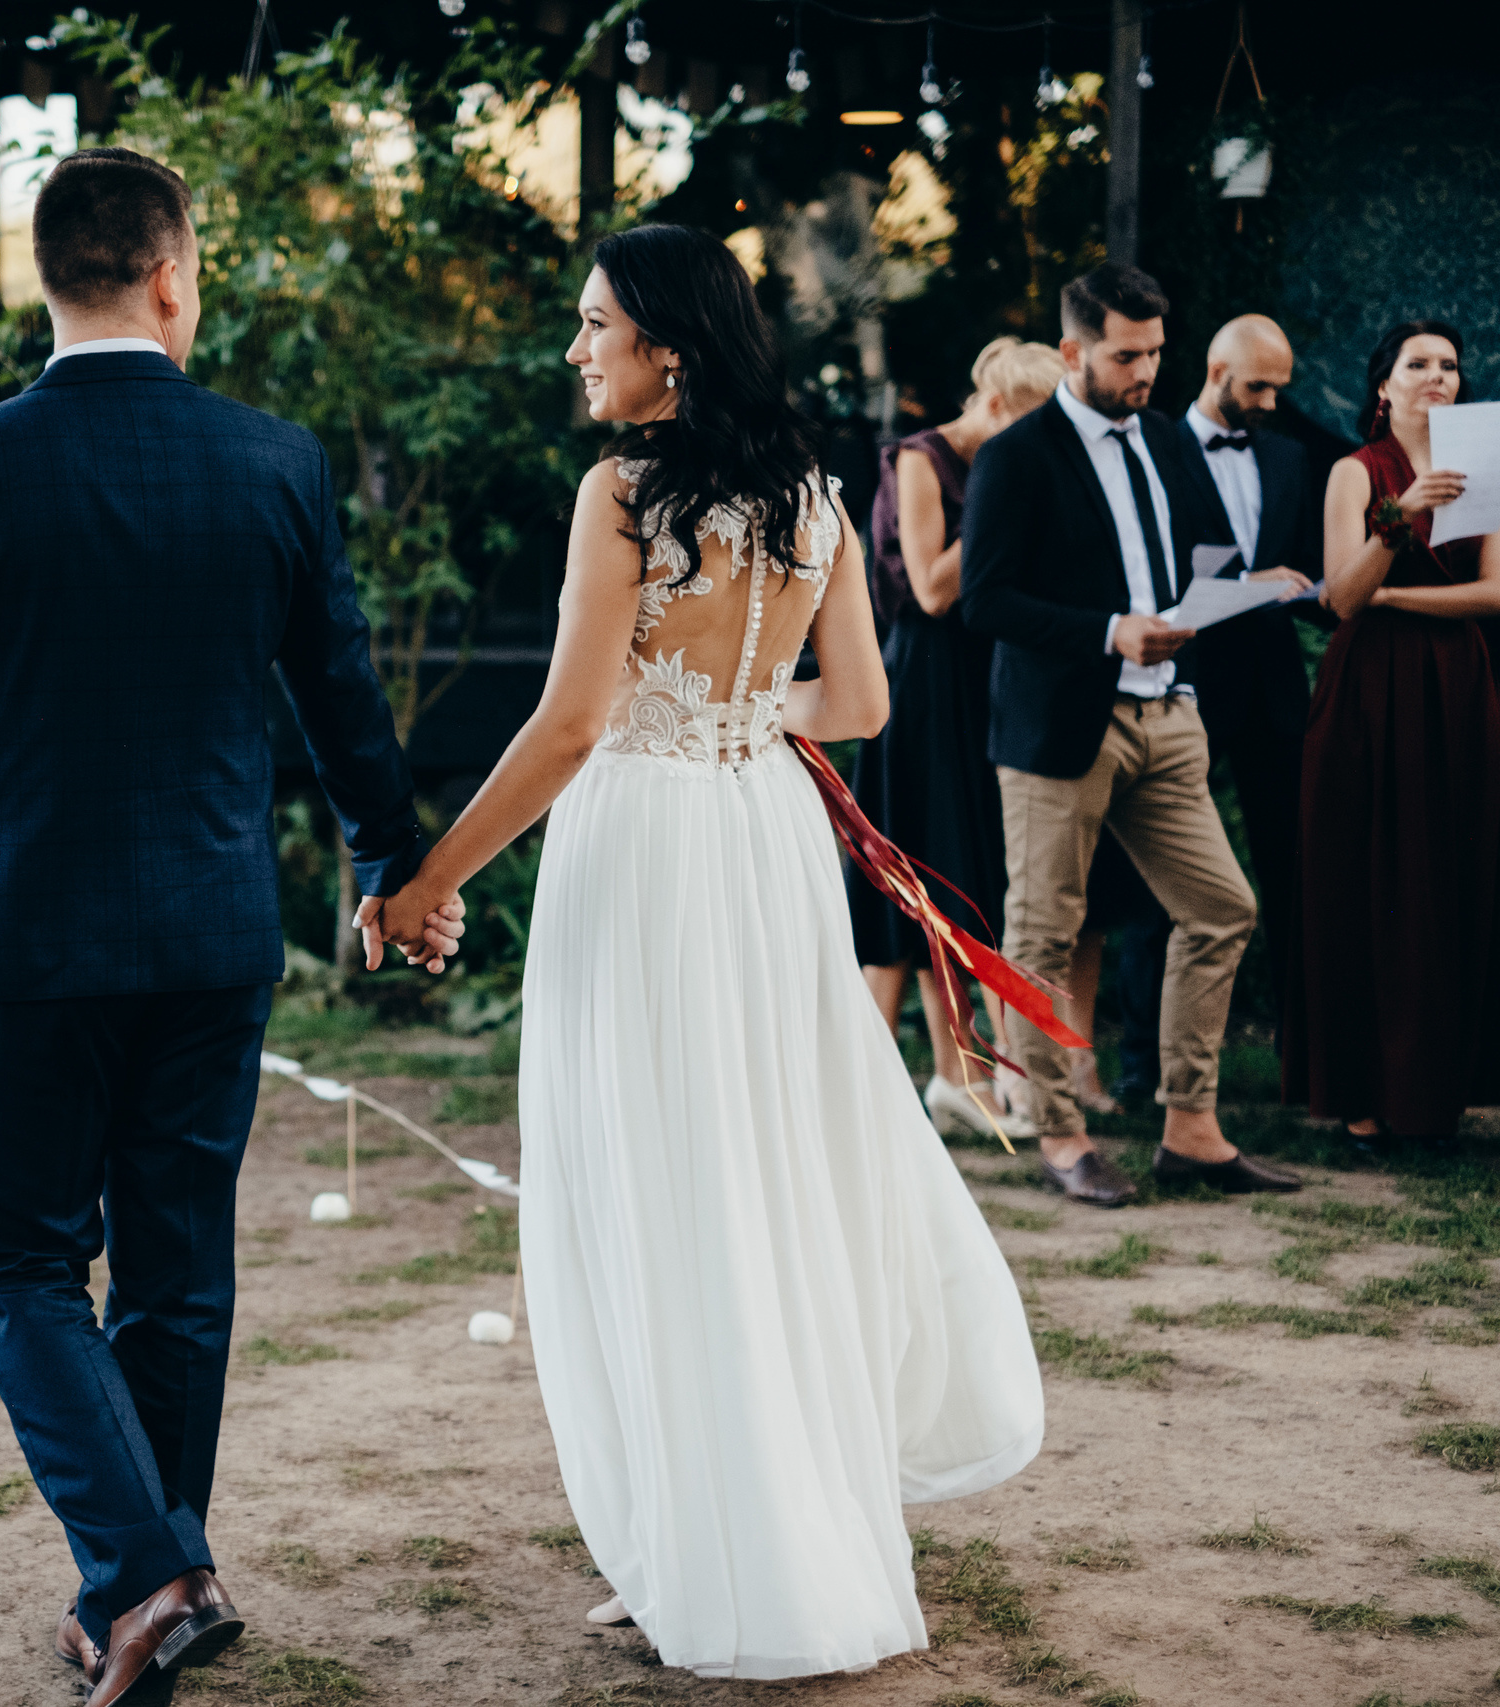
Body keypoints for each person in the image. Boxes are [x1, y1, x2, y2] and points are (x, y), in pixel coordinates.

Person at [0, 147, 463, 1707]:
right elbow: (339, 696)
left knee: (15, 1256)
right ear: (177, 272)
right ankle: (143, 1585)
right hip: (210, 933)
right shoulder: (272, 461)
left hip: (24, 943)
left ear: (52, 282)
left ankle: (147, 1574)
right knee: (176, 1271)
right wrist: (398, 860)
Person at [372, 224, 1043, 1681]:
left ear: (666, 343)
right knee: (763, 1167)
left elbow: (568, 722)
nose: (576, 349)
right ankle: (751, 1517)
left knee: (654, 1179)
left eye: (594, 324)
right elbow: (857, 700)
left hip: (651, 853)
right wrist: (737, 713)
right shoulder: (812, 494)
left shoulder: (621, 493)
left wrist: (429, 871)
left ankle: (707, 1531)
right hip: (762, 844)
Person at [957, 263, 1300, 1207]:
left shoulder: (1161, 439)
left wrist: (1243, 583)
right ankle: (1063, 1135)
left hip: (1169, 714)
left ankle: (1191, 1128)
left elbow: (1186, 552)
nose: (1147, 370)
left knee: (1223, 906)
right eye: (1125, 353)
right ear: (1072, 351)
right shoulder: (1016, 457)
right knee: (1040, 933)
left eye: (1155, 351)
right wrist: (1110, 630)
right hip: (1062, 724)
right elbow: (983, 598)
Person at [851, 336, 1062, 1139]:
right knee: (925, 867)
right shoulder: (918, 457)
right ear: (999, 408)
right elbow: (935, 588)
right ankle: (935, 1078)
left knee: (971, 872)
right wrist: (1010, 521)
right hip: (927, 678)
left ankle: (961, 1078)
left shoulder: (1009, 460)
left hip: (989, 677)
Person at [1293, 320, 1500, 1138]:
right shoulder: (1355, 473)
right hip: (1369, 690)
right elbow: (1341, 596)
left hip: (1458, 680)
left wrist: (1396, 601)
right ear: (1383, 385)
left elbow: (1493, 594)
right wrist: (1400, 516)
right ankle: (1368, 1090)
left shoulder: (1485, 466)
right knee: (1374, 872)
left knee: (1457, 868)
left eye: (1449, 364)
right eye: (1419, 363)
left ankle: (1448, 1083)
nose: (1437, 376)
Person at [1166, 314, 1325, 1026]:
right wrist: (1253, 581)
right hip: (1189, 681)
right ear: (1217, 370)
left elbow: (1310, 568)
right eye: (1258, 386)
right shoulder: (1155, 450)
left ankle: (1301, 1051)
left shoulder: (1290, 458)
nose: (1269, 401)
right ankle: (1145, 1058)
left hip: (1275, 691)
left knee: (1292, 866)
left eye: (1279, 388)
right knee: (1165, 869)